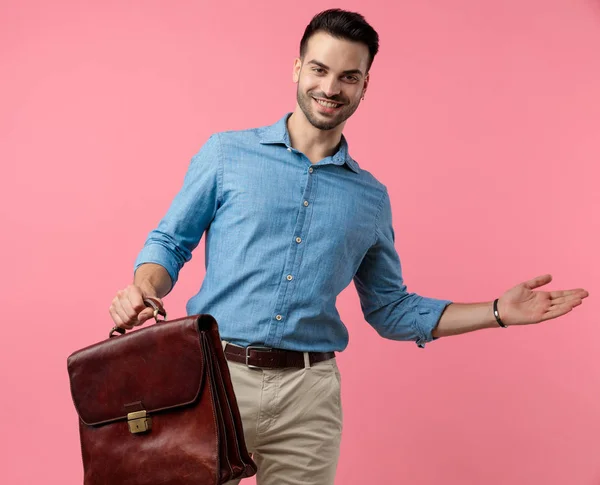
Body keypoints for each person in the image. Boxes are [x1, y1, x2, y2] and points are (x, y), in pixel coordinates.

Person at [108, 8, 589, 485]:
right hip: (213, 380)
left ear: (364, 86)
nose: (330, 88)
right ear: (297, 67)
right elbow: (170, 242)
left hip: (309, 399)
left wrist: (498, 311)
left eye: (348, 76)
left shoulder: (371, 199)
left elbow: (391, 309)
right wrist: (145, 289)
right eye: (319, 69)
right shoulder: (226, 154)